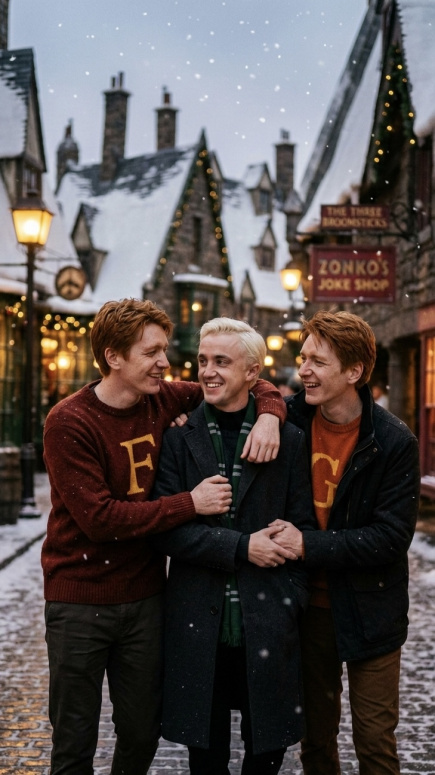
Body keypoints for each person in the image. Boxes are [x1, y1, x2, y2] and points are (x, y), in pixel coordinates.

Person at [42, 298, 288, 775]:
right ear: (113, 357)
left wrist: (270, 415)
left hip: (146, 599)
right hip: (79, 601)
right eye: (151, 352)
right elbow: (100, 519)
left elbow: (248, 381)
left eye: (165, 351)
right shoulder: (69, 421)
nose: (164, 363)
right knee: (74, 737)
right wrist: (189, 503)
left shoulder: (162, 399)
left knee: (142, 732)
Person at [151, 317, 316, 775]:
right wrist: (242, 547)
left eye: (222, 362)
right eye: (203, 361)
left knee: (266, 757)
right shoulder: (177, 437)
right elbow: (168, 531)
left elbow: (302, 527)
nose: (208, 371)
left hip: (267, 622)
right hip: (198, 625)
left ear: (252, 372)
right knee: (206, 761)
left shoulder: (288, 440)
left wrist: (292, 600)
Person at [270, 309, 420, 775]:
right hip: (306, 611)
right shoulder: (286, 419)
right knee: (316, 742)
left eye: (318, 362)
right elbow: (232, 393)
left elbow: (390, 538)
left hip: (371, 609)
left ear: (354, 372)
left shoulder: (393, 441)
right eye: (303, 358)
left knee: (374, 743)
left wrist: (307, 545)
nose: (304, 370)